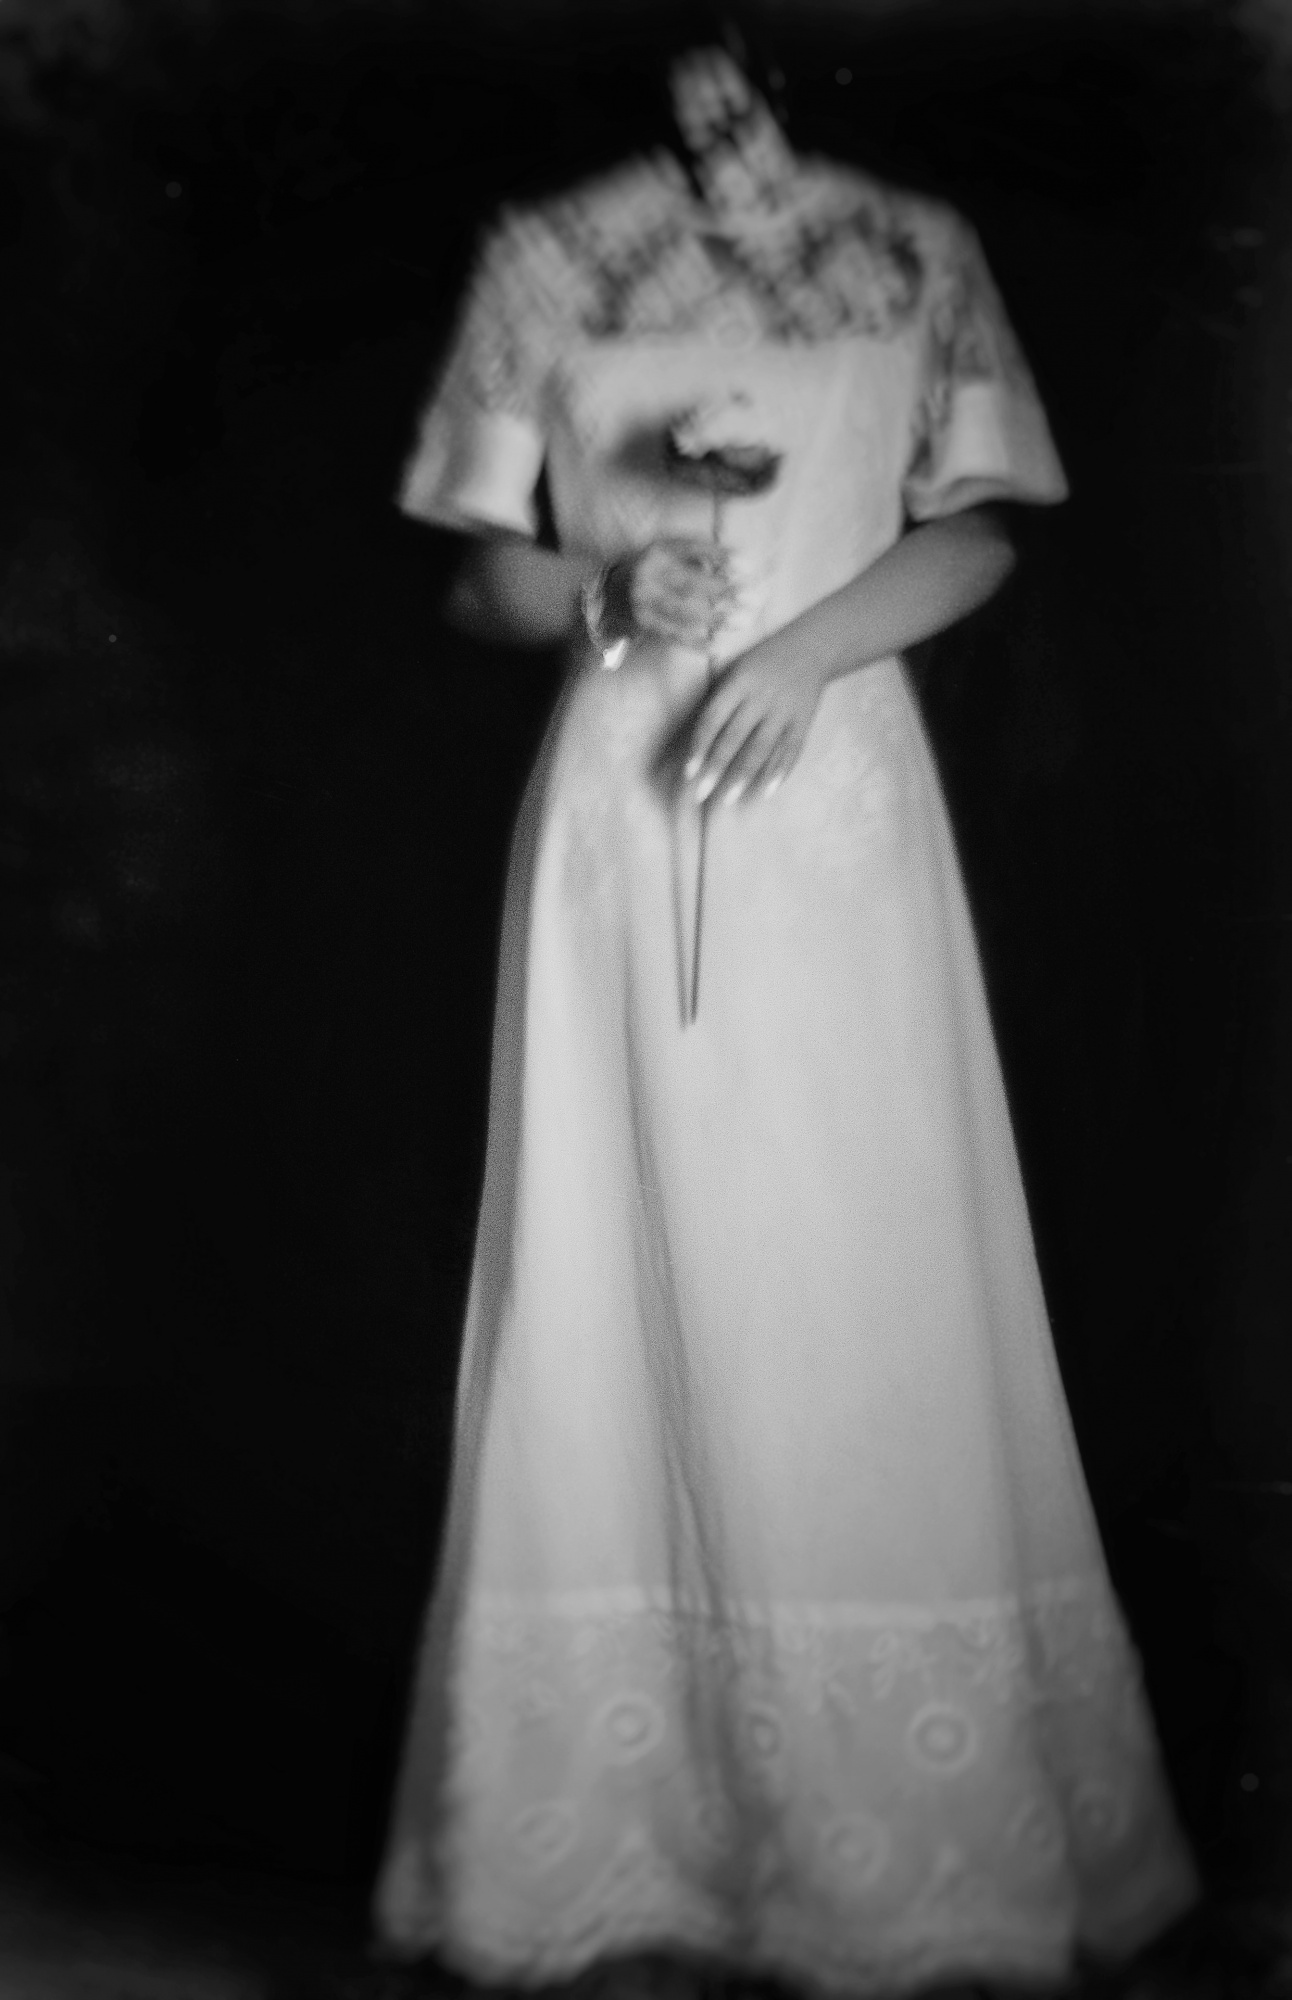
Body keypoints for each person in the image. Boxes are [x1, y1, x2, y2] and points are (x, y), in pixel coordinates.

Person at [373, 35, 1197, 1996]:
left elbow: (978, 528)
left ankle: (895, 1849)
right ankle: (632, 1840)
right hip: (618, 808)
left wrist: (811, 649)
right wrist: (604, 590)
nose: (713, 89)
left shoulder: (913, 248)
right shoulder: (548, 255)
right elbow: (475, 580)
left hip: (833, 814)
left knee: (857, 1269)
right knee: (615, 1261)